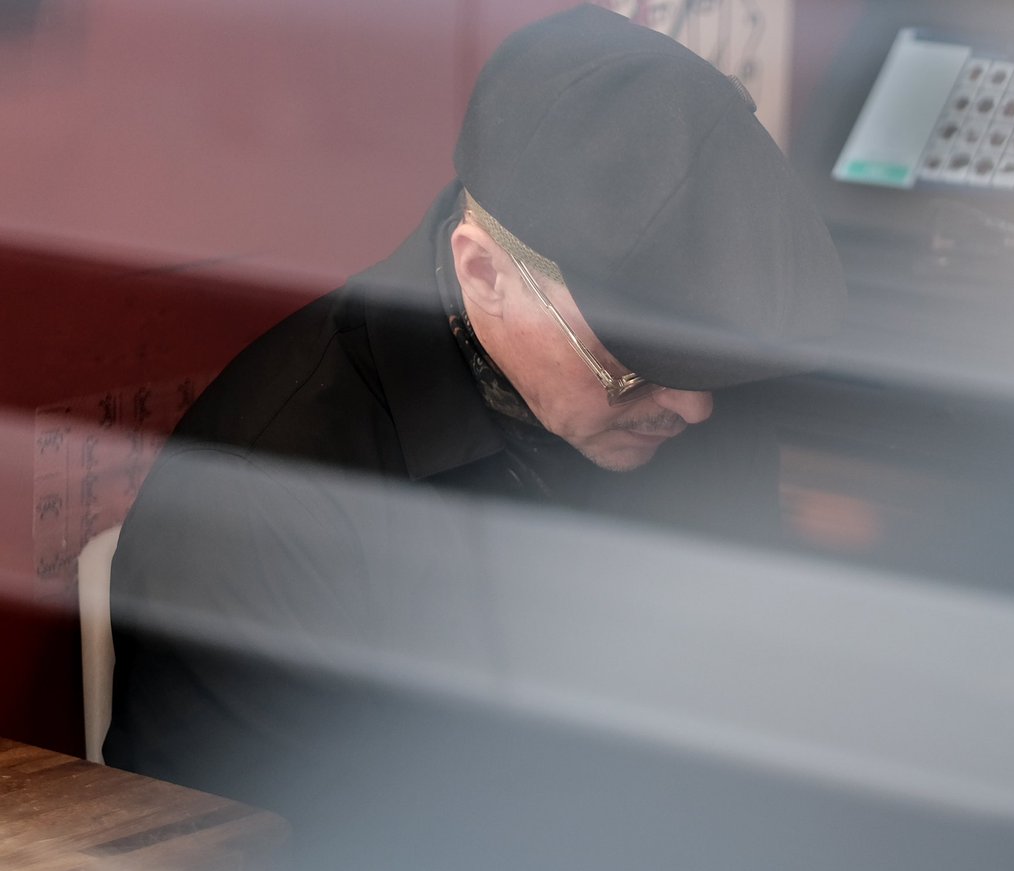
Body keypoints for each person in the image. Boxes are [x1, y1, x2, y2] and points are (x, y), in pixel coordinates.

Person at [103, 4, 845, 823]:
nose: (693, 409)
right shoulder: (270, 495)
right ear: (484, 273)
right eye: (633, 368)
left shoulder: (695, 400)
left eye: (714, 372)